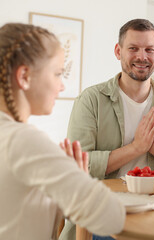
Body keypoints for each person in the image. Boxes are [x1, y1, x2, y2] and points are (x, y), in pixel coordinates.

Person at [61, 19, 154, 240]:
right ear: (118, 51)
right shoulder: (91, 100)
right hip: (104, 215)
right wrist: (136, 148)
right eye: (133, 48)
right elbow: (77, 166)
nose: (142, 57)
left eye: (149, 50)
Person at [0, 23, 126, 239]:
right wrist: (79, 179)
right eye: (58, 73)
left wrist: (68, 190)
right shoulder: (24, 141)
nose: (62, 86)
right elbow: (111, 217)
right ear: (24, 77)